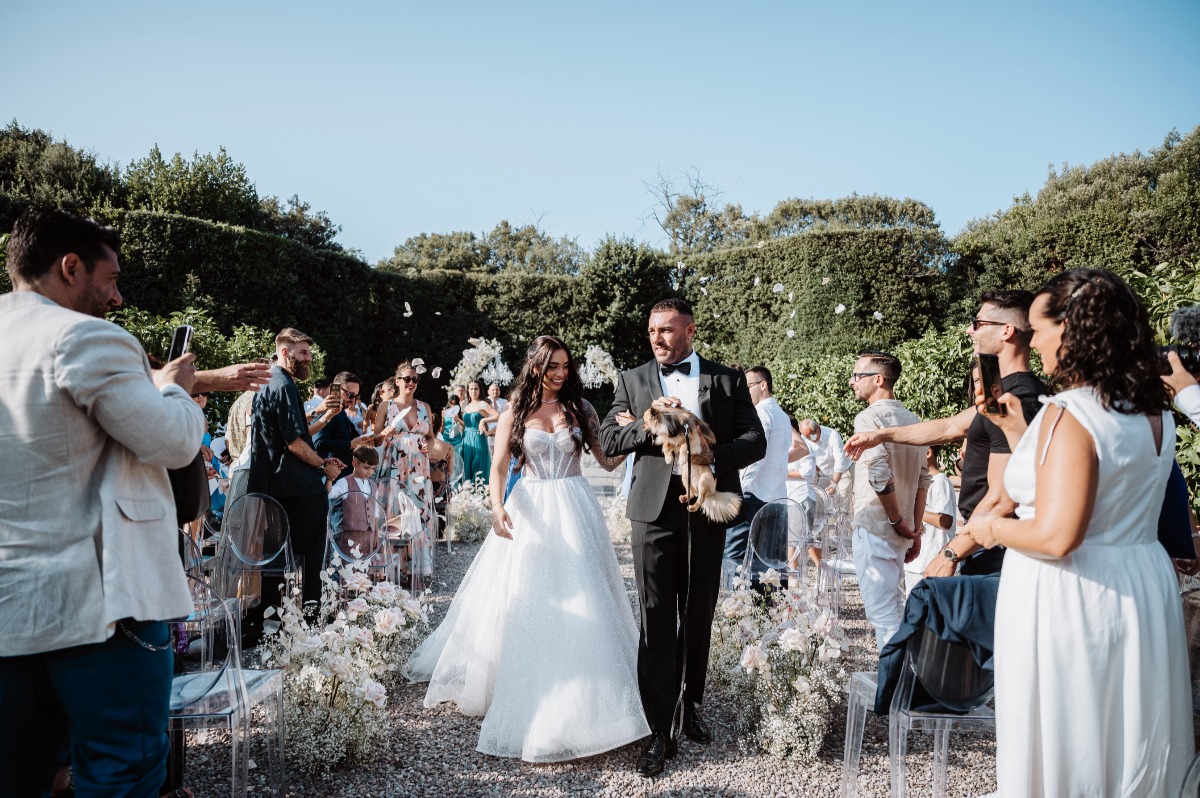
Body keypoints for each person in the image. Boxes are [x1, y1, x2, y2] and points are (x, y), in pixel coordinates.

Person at [961, 268, 1192, 795]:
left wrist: (992, 528)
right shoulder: (1153, 414)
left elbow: (1057, 534)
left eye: (1041, 329)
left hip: (1074, 592)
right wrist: (1017, 428)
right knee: (1126, 735)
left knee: (1073, 740)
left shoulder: (1073, 413)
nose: (1035, 340)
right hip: (1140, 583)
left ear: (1072, 331)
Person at [0, 208, 206, 796]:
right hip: (103, 610)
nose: (116, 297)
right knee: (122, 771)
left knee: (21, 778)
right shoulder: (85, 337)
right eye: (110, 279)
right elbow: (171, 439)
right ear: (70, 267)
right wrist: (175, 389)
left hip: (10, 610)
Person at [406, 335, 648, 762]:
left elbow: (607, 460)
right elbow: (498, 466)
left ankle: (595, 702)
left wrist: (637, 431)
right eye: (552, 365)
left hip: (575, 505)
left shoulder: (582, 408)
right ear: (535, 366)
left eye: (565, 366)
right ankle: (529, 689)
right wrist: (497, 507)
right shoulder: (515, 409)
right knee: (532, 597)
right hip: (532, 506)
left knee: (589, 595)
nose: (560, 373)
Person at [600, 298, 766, 777]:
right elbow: (610, 443)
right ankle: (657, 728)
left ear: (690, 331)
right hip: (652, 511)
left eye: (667, 330)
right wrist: (649, 420)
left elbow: (757, 440)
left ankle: (690, 703)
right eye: (652, 330)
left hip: (707, 508)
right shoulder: (632, 381)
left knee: (698, 610)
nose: (657, 338)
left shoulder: (726, 378)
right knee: (655, 613)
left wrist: (712, 454)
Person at [844, 290, 1046, 577]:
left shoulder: (1019, 397)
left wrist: (951, 552)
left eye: (978, 323)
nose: (969, 330)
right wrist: (881, 435)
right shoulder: (1001, 392)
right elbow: (949, 427)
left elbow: (1005, 497)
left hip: (998, 549)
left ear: (1007, 331)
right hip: (985, 544)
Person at [248, 328, 344, 615]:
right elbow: (293, 444)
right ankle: (313, 616)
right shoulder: (283, 385)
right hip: (296, 487)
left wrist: (323, 417)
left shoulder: (269, 382)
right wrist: (323, 465)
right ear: (285, 352)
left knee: (275, 558)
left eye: (309, 353)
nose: (308, 359)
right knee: (313, 556)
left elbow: (291, 433)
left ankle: (273, 619)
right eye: (303, 353)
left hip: (273, 486)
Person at [847, 350, 930, 650]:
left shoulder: (868, 418)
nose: (851, 382)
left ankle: (891, 688)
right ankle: (901, 683)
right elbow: (923, 480)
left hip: (877, 526)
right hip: (902, 531)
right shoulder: (914, 420)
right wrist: (914, 529)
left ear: (878, 379)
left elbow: (880, 475)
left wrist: (897, 520)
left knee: (883, 617)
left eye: (857, 376)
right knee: (895, 610)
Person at [723, 365, 796, 568]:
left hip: (753, 494)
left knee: (733, 556)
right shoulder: (782, 415)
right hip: (778, 496)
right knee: (771, 561)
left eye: (748, 386)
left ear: (763, 385)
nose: (745, 392)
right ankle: (771, 600)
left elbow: (753, 455)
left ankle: (734, 600)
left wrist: (740, 490)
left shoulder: (760, 413)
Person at [375, 360, 437, 586]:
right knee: (393, 513)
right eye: (407, 379)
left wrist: (428, 445)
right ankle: (392, 570)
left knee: (419, 513)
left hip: (419, 469)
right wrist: (385, 432)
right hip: (393, 466)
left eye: (415, 379)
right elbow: (375, 439)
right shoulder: (386, 407)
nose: (411, 383)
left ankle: (415, 569)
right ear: (397, 381)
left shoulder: (424, 407)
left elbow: (429, 436)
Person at [902, 446, 956, 595]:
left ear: (928, 452)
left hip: (931, 559)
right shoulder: (920, 482)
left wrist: (917, 511)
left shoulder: (939, 482)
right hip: (917, 562)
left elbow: (944, 521)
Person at [313, 371, 375, 480]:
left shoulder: (340, 411)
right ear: (335, 389)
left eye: (356, 396)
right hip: (329, 477)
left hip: (340, 477)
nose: (353, 399)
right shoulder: (329, 411)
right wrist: (350, 444)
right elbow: (317, 443)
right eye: (350, 394)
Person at [327, 446, 383, 563]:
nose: (370, 472)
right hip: (350, 536)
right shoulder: (345, 482)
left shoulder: (373, 485)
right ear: (354, 463)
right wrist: (330, 478)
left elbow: (375, 512)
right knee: (348, 571)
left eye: (373, 469)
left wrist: (376, 534)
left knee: (364, 571)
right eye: (366, 468)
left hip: (369, 535)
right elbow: (329, 493)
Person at [461, 380, 498, 483]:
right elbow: (467, 424)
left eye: (476, 388)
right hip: (466, 438)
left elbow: (498, 415)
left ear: (480, 390)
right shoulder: (466, 406)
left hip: (478, 437)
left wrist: (483, 420)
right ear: (468, 391)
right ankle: (467, 493)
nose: (473, 391)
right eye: (471, 389)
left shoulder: (482, 404)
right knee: (466, 465)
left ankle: (480, 493)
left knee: (477, 465)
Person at [484, 382, 509, 456]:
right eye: (493, 390)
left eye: (497, 390)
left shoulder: (505, 402)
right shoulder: (484, 402)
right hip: (488, 435)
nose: (495, 391)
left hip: (500, 435)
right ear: (488, 391)